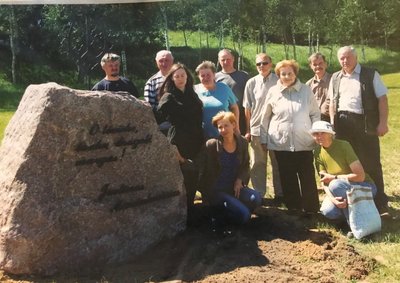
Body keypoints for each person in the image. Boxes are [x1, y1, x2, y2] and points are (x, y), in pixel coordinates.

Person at [328, 46, 390, 216]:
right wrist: (333, 125)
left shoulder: (371, 74)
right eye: (342, 58)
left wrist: (382, 123)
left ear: (355, 58)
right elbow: (332, 103)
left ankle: (380, 204)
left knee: (371, 163)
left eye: (348, 57)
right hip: (342, 124)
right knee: (348, 164)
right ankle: (354, 203)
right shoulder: (335, 77)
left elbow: (382, 99)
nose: (345, 61)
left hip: (365, 124)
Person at [260, 59, 320, 214]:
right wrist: (263, 138)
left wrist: (316, 132)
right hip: (281, 142)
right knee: (287, 177)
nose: (286, 77)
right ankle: (294, 208)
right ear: (278, 75)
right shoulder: (273, 92)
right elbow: (265, 117)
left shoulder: (306, 90)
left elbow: (315, 114)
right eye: (283, 74)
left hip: (304, 141)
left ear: (295, 74)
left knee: (307, 175)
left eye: (290, 73)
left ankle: (312, 209)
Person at [156, 63, 204, 221]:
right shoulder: (168, 97)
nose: (180, 78)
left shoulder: (192, 94)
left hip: (196, 140)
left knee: (193, 178)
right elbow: (156, 121)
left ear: (188, 77)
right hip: (179, 142)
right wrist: (170, 146)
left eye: (183, 75)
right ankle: (179, 215)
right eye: (177, 76)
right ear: (171, 78)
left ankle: (189, 212)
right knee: (181, 178)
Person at [198, 111, 262, 225]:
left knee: (256, 198)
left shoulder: (242, 142)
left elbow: (245, 165)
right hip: (217, 191)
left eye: (226, 125)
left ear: (234, 125)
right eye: (220, 127)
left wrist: (240, 179)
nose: (223, 130)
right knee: (245, 216)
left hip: (234, 188)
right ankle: (220, 212)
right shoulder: (212, 145)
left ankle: (231, 207)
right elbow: (200, 167)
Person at [310, 121, 377, 224]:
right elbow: (324, 182)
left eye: (322, 133)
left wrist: (335, 177)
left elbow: (360, 177)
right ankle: (361, 209)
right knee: (328, 212)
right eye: (315, 134)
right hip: (340, 189)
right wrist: (334, 200)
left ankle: (355, 224)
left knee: (336, 185)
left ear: (330, 134)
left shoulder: (344, 146)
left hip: (365, 186)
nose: (319, 136)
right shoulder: (317, 152)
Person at [242, 53, 282, 202]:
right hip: (257, 128)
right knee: (257, 163)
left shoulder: (279, 81)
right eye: (258, 64)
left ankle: (280, 194)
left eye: (264, 63)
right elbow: (247, 108)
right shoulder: (251, 83)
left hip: (276, 129)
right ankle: (259, 194)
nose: (261, 66)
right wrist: (248, 130)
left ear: (271, 64)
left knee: (277, 163)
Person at [194, 61, 240, 139]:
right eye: (202, 75)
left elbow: (234, 108)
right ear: (198, 77)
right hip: (202, 134)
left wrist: (236, 127)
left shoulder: (224, 88)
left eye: (208, 75)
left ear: (214, 75)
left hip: (225, 133)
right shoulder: (194, 90)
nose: (205, 78)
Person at [215, 49, 249, 134]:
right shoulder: (215, 77)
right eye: (223, 60)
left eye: (228, 59)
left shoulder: (244, 76)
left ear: (233, 59)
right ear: (219, 61)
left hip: (241, 117)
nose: (226, 62)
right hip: (222, 118)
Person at [144, 50, 174, 135]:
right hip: (163, 125)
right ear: (156, 62)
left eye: (167, 60)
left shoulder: (181, 77)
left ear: (172, 61)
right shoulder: (151, 82)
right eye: (161, 61)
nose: (164, 63)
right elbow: (149, 107)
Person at [306, 52, 331, 122]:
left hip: (330, 118)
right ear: (311, 66)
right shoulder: (308, 85)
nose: (318, 66)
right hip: (313, 119)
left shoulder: (334, 80)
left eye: (320, 63)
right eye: (315, 64)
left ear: (326, 64)